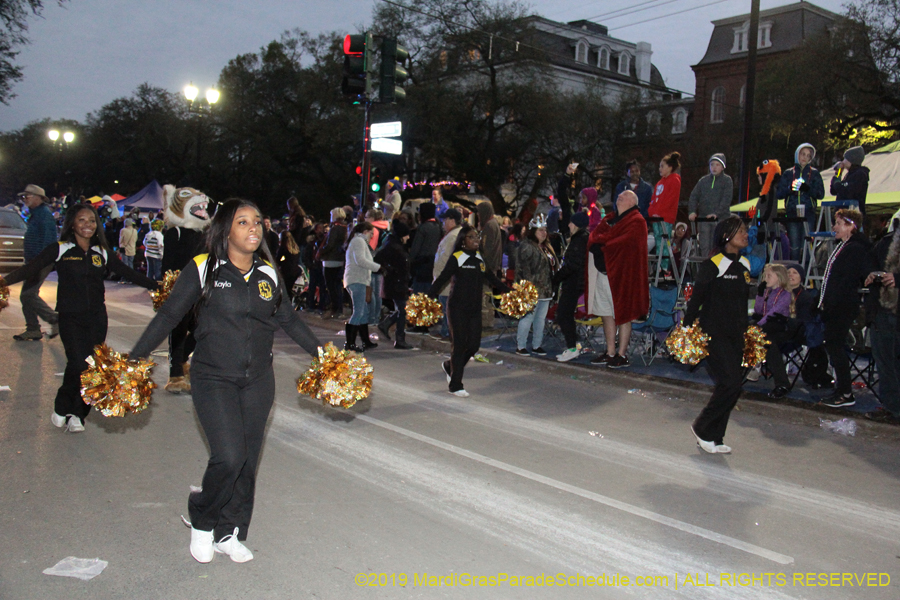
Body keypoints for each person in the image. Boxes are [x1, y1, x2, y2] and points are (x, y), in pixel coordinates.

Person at [130, 199, 321, 564]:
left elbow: (290, 320)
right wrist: (134, 357)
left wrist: (325, 356)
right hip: (213, 377)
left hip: (258, 380)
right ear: (225, 231)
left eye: (258, 222)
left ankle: (229, 532)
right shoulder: (203, 269)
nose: (253, 228)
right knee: (229, 456)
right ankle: (202, 517)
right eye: (243, 222)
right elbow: (170, 314)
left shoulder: (267, 273)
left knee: (247, 461)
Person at [0, 203, 157, 433]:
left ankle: (79, 415)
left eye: (92, 221)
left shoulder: (102, 252)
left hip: (97, 318)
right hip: (70, 317)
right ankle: (63, 405)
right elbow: (30, 269)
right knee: (76, 363)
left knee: (91, 366)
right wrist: (3, 283)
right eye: (82, 220)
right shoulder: (60, 249)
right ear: (72, 223)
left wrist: (160, 286)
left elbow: (130, 274)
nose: (87, 225)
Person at [682, 215, 751, 454]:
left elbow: (742, 304)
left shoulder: (746, 265)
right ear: (726, 236)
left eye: (745, 230)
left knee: (733, 386)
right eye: (740, 230)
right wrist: (686, 327)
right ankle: (702, 427)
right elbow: (697, 299)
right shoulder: (713, 264)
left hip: (736, 335)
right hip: (713, 333)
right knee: (730, 383)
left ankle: (716, 437)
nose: (745, 234)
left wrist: (747, 332)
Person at [429, 226, 509, 397]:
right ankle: (456, 384)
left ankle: (450, 366)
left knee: (473, 345)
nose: (476, 240)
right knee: (459, 346)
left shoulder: (480, 258)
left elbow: (491, 278)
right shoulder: (457, 257)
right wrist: (428, 296)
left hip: (474, 308)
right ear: (463, 240)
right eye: (471, 237)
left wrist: (508, 290)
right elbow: (443, 278)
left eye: (477, 237)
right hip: (457, 307)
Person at [585, 190, 649, 368]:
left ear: (633, 202)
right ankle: (610, 351)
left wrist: (603, 243)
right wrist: (602, 241)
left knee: (623, 315)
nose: (619, 196)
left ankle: (621, 354)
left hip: (623, 276)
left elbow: (625, 243)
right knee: (606, 314)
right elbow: (593, 236)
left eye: (624, 195)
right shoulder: (609, 220)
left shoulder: (637, 221)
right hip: (604, 274)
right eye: (618, 195)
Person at [818, 209, 872, 408]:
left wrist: (831, 302)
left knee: (836, 346)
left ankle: (845, 392)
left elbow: (845, 279)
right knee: (834, 346)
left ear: (851, 225)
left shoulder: (854, 248)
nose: (834, 227)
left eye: (839, 223)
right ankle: (841, 389)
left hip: (842, 305)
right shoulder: (845, 246)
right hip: (837, 304)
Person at [864, 222, 900, 423]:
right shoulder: (886, 241)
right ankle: (892, 406)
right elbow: (870, 263)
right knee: (886, 362)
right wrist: (872, 274)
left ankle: (893, 407)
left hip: (891, 310)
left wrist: (897, 279)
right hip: (883, 309)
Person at [14, 184, 59, 341]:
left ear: (39, 198)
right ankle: (33, 329)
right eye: (24, 197)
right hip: (33, 261)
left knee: (28, 294)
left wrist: (39, 263)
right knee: (26, 295)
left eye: (28, 196)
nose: (25, 199)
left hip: (40, 262)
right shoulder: (36, 214)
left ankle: (54, 318)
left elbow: (48, 241)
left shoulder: (44, 215)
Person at [514, 214, 557, 356]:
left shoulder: (546, 247)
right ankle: (521, 346)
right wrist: (528, 289)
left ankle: (537, 345)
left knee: (540, 319)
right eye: (540, 230)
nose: (544, 233)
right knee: (528, 317)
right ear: (533, 231)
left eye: (545, 230)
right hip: (531, 290)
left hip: (545, 290)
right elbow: (524, 271)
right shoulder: (526, 247)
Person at [776, 143, 825, 261]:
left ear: (810, 158)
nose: (805, 157)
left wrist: (807, 189)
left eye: (808, 155)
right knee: (794, 245)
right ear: (797, 154)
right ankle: (794, 271)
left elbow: (820, 194)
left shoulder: (815, 173)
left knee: (807, 244)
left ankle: (806, 274)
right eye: (803, 154)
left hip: (808, 213)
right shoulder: (788, 173)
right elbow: (779, 193)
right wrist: (790, 189)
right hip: (792, 212)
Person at [553, 211, 590, 362]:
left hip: (573, 282)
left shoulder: (579, 240)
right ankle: (573, 345)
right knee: (565, 315)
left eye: (571, 222)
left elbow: (573, 264)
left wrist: (557, 277)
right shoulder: (580, 238)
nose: (569, 225)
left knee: (563, 314)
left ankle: (572, 348)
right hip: (575, 282)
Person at [747, 264, 792, 382]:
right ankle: (753, 363)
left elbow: (773, 312)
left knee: (760, 333)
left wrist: (759, 324)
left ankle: (756, 364)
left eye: (769, 276)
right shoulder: (767, 292)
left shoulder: (785, 294)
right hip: (765, 322)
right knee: (748, 328)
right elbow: (758, 310)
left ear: (779, 277)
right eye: (765, 276)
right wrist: (760, 294)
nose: (765, 278)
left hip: (778, 325)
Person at [343, 221, 381, 352]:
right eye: (371, 233)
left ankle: (365, 341)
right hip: (357, 280)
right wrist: (378, 268)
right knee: (359, 311)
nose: (372, 236)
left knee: (363, 312)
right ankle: (350, 344)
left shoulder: (358, 241)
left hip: (357, 279)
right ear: (366, 231)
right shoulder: (359, 241)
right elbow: (361, 260)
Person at [375, 222, 413, 349]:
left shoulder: (395, 244)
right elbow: (378, 259)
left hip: (398, 281)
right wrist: (391, 270)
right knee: (403, 310)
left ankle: (386, 325)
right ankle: (399, 338)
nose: (408, 238)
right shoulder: (393, 246)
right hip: (396, 282)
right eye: (406, 235)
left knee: (403, 309)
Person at [688, 154, 734, 257]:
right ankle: (706, 268)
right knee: (704, 246)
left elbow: (726, 199)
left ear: (722, 167)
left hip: (720, 220)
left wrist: (717, 213)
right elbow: (694, 196)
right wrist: (692, 211)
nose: (714, 167)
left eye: (717, 165)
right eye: (712, 164)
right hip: (704, 219)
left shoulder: (727, 181)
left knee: (718, 246)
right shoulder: (703, 181)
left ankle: (718, 270)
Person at [647, 152, 682, 276]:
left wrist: (660, 213)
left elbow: (669, 200)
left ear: (670, 167)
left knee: (664, 241)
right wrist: (652, 212)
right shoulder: (660, 182)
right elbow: (654, 199)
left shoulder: (674, 180)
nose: (660, 169)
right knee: (658, 242)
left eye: (662, 166)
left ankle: (665, 267)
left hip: (665, 218)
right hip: (656, 218)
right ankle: (659, 266)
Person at [432, 208, 463, 340]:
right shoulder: (452, 235)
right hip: (444, 279)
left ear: (452, 220)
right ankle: (446, 331)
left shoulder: (453, 237)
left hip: (446, 280)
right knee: (445, 306)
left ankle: (447, 332)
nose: (443, 223)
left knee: (447, 308)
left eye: (445, 220)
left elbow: (449, 260)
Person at [476, 202, 503, 329]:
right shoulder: (494, 224)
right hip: (492, 265)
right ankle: (487, 320)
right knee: (487, 294)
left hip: (487, 266)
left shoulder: (489, 226)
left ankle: (485, 322)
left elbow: (486, 248)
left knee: (484, 295)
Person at [318, 207, 348, 319]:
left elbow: (330, 244)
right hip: (340, 259)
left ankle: (335, 309)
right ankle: (338, 309)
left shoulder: (335, 228)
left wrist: (321, 251)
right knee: (337, 285)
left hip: (331, 259)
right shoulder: (345, 228)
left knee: (331, 286)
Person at [409, 203, 442, 296]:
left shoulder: (423, 228)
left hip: (421, 266)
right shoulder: (438, 226)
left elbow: (415, 249)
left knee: (419, 295)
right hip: (433, 265)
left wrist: (410, 262)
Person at [831, 146, 869, 217]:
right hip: (842, 214)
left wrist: (838, 184)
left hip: (852, 215)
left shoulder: (860, 174)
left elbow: (846, 191)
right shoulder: (848, 175)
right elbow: (834, 190)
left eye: (845, 158)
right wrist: (838, 174)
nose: (843, 161)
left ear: (852, 160)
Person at [276, 231, 302, 300]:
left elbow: (277, 260)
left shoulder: (283, 248)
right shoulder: (295, 248)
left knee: (286, 289)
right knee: (290, 288)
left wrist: (282, 261)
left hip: (286, 271)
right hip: (295, 270)